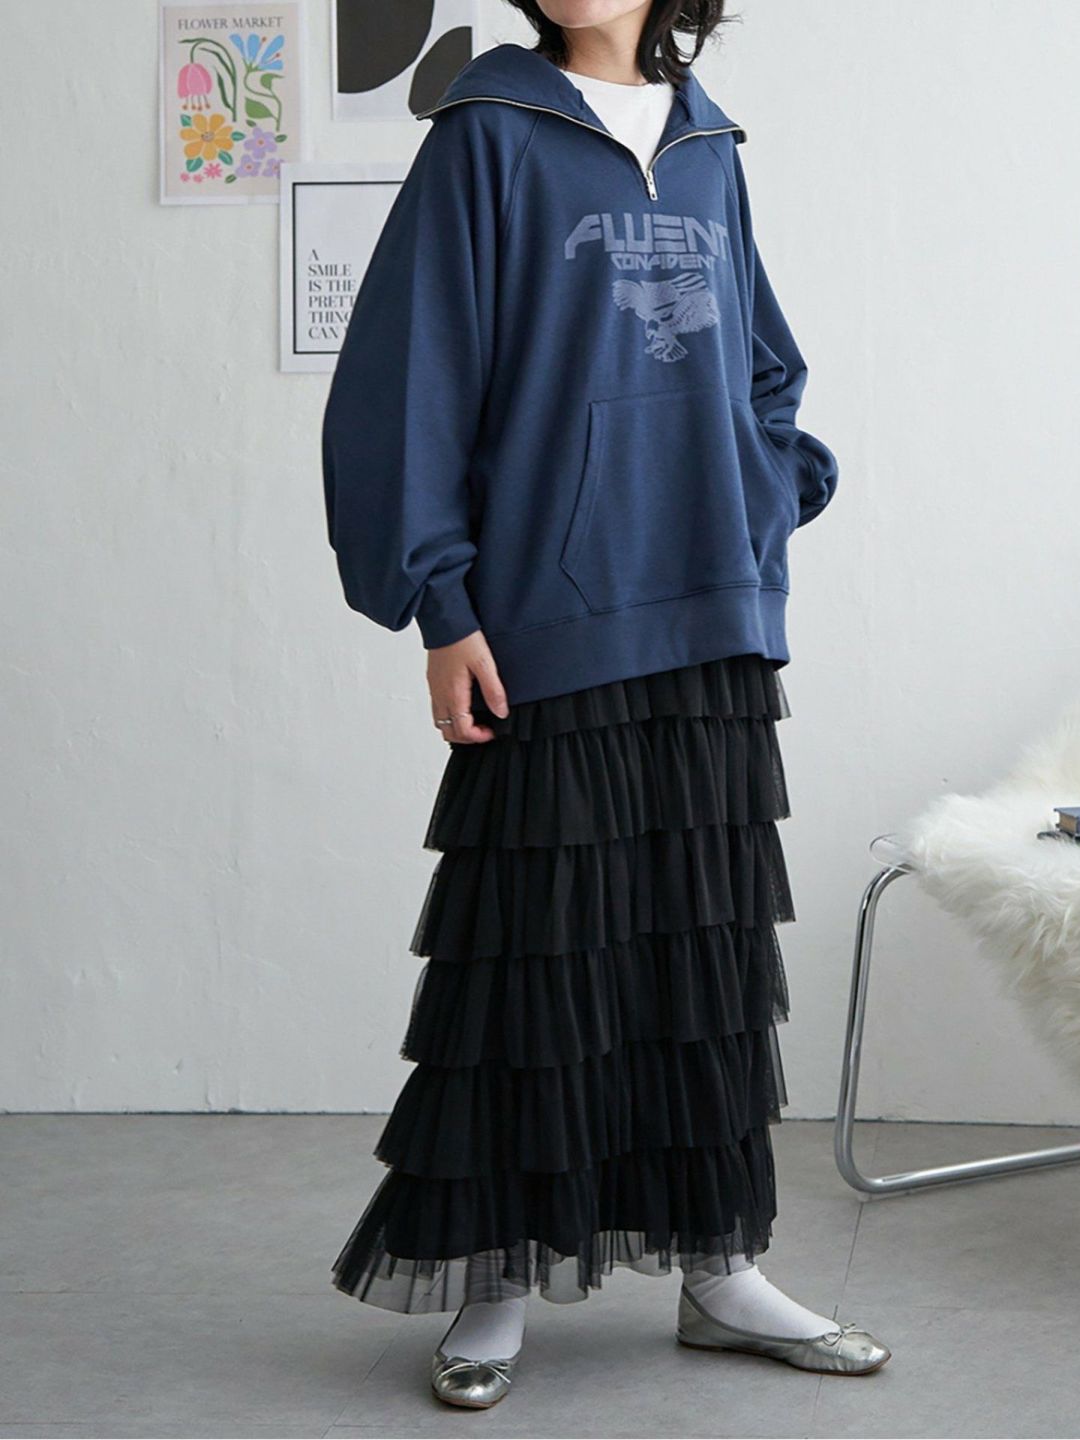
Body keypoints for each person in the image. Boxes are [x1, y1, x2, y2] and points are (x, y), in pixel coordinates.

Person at [321, 0, 891, 1409]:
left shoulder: (709, 145)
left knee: (701, 959)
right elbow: (411, 374)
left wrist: (761, 493)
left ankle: (721, 1271)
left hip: (709, 607)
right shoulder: (488, 131)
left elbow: (763, 362)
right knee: (534, 959)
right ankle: (498, 1280)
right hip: (546, 613)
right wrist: (442, 606)